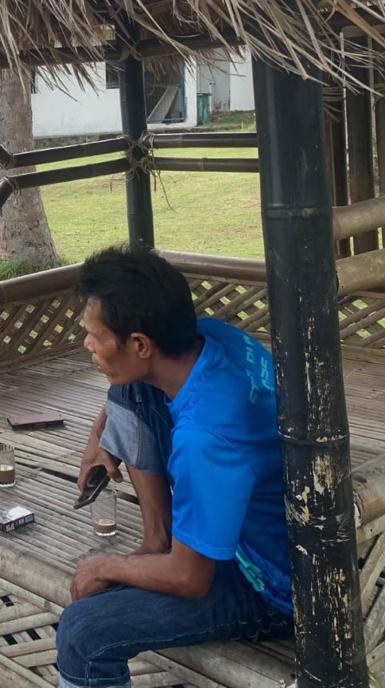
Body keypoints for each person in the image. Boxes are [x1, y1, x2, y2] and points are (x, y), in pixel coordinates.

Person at [56, 247, 293, 688]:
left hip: (269, 583)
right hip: (262, 519)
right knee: (130, 387)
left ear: (139, 344)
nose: (86, 344)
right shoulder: (210, 337)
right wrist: (98, 436)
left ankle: (160, 553)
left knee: (82, 631)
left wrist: (105, 566)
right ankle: (157, 541)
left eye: (93, 336)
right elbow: (130, 384)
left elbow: (190, 578)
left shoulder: (205, 439)